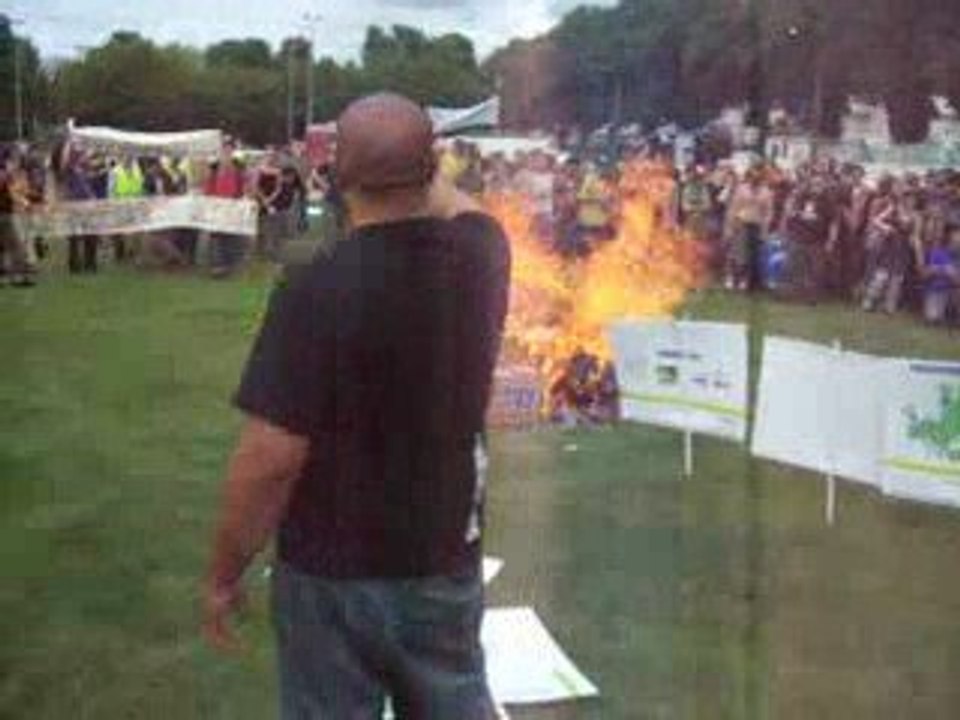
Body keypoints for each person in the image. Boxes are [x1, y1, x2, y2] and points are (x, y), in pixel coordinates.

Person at [203, 93, 511, 720]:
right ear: (431, 168)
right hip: (443, 554)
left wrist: (224, 573)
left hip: (332, 569)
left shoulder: (315, 286)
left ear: (338, 176)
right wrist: (425, 166)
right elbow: (459, 206)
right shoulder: (483, 256)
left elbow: (271, 457)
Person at [0, 152, 36, 287]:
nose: (15, 164)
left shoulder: (13, 176)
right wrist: (26, 203)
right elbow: (13, 194)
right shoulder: (6, 177)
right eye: (12, 161)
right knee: (16, 247)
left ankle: (8, 278)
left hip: (7, 213)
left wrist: (33, 198)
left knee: (5, 248)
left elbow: (22, 192)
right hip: (6, 215)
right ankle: (18, 278)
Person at [920, 225, 960, 325]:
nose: (957, 239)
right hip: (935, 291)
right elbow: (924, 275)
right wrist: (939, 269)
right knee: (932, 319)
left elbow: (957, 281)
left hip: (951, 292)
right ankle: (942, 316)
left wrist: (953, 275)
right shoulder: (937, 252)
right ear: (949, 237)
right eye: (955, 235)